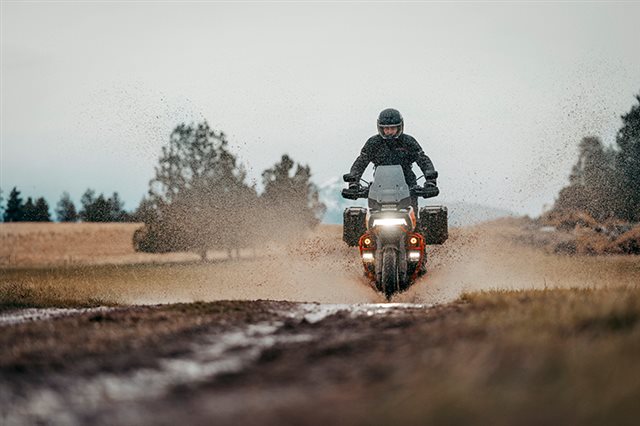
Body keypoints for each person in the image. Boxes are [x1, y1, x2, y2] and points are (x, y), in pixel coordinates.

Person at [347, 108, 437, 211]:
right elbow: (361, 162)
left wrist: (430, 179)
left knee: (415, 219)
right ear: (380, 128)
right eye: (386, 128)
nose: (389, 132)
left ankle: (417, 225)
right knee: (361, 220)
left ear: (399, 127)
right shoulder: (373, 143)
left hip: (407, 189)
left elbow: (423, 160)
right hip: (379, 191)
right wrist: (353, 181)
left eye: (392, 128)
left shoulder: (408, 142)